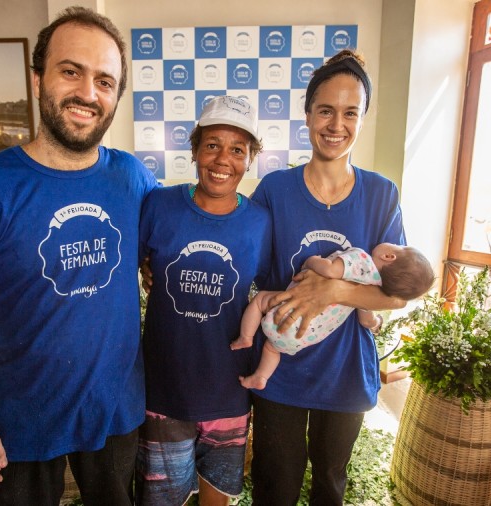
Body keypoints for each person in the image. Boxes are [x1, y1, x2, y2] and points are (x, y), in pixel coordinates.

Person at [0, 7, 159, 505]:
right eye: (72, 72)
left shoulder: (132, 178)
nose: (88, 93)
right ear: (38, 77)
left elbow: (165, 249)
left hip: (113, 410)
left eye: (105, 81)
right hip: (16, 420)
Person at [247, 50, 408, 505]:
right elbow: (245, 263)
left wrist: (334, 289)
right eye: (325, 110)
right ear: (308, 114)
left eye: (350, 112)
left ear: (363, 118)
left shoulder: (381, 195)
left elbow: (395, 296)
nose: (336, 124)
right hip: (281, 369)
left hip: (346, 371)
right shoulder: (275, 190)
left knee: (330, 483)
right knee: (275, 482)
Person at [135, 96, 270, 506]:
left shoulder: (260, 223)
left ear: (250, 160)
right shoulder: (158, 205)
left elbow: (269, 294)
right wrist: (146, 267)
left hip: (228, 388)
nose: (222, 159)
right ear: (194, 150)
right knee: (162, 499)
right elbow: (136, 260)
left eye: (237, 150)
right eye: (212, 144)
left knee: (217, 497)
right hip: (164, 390)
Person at [233, 244, 434, 390]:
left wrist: (311, 261)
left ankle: (245, 337)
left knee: (260, 300)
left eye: (400, 246)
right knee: (272, 348)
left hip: (285, 314)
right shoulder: (374, 290)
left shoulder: (361, 259)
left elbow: (330, 270)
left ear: (390, 256)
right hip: (303, 338)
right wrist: (376, 323)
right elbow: (366, 320)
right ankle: (261, 376)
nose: (396, 243)